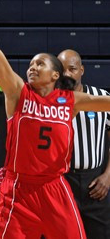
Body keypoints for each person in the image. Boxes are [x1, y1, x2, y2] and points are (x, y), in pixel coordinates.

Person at [0, 0, 110, 239]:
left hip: (55, 187)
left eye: (40, 63)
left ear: (56, 74)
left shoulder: (71, 100)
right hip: (18, 187)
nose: (33, 67)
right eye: (30, 64)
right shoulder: (18, 93)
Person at [58, 49, 110, 239]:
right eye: (62, 70)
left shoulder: (101, 97)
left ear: (82, 70)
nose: (67, 74)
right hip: (62, 181)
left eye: (72, 69)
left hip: (95, 183)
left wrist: (108, 176)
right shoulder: (51, 101)